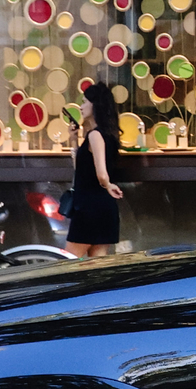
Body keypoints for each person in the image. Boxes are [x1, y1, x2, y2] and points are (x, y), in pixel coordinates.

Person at [67, 81, 125, 257]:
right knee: (97, 267)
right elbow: (84, 169)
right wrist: (73, 139)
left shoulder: (95, 135)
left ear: (95, 104)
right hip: (103, 208)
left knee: (67, 263)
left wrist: (107, 184)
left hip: (88, 208)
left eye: (85, 102)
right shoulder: (108, 136)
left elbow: (101, 173)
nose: (81, 106)